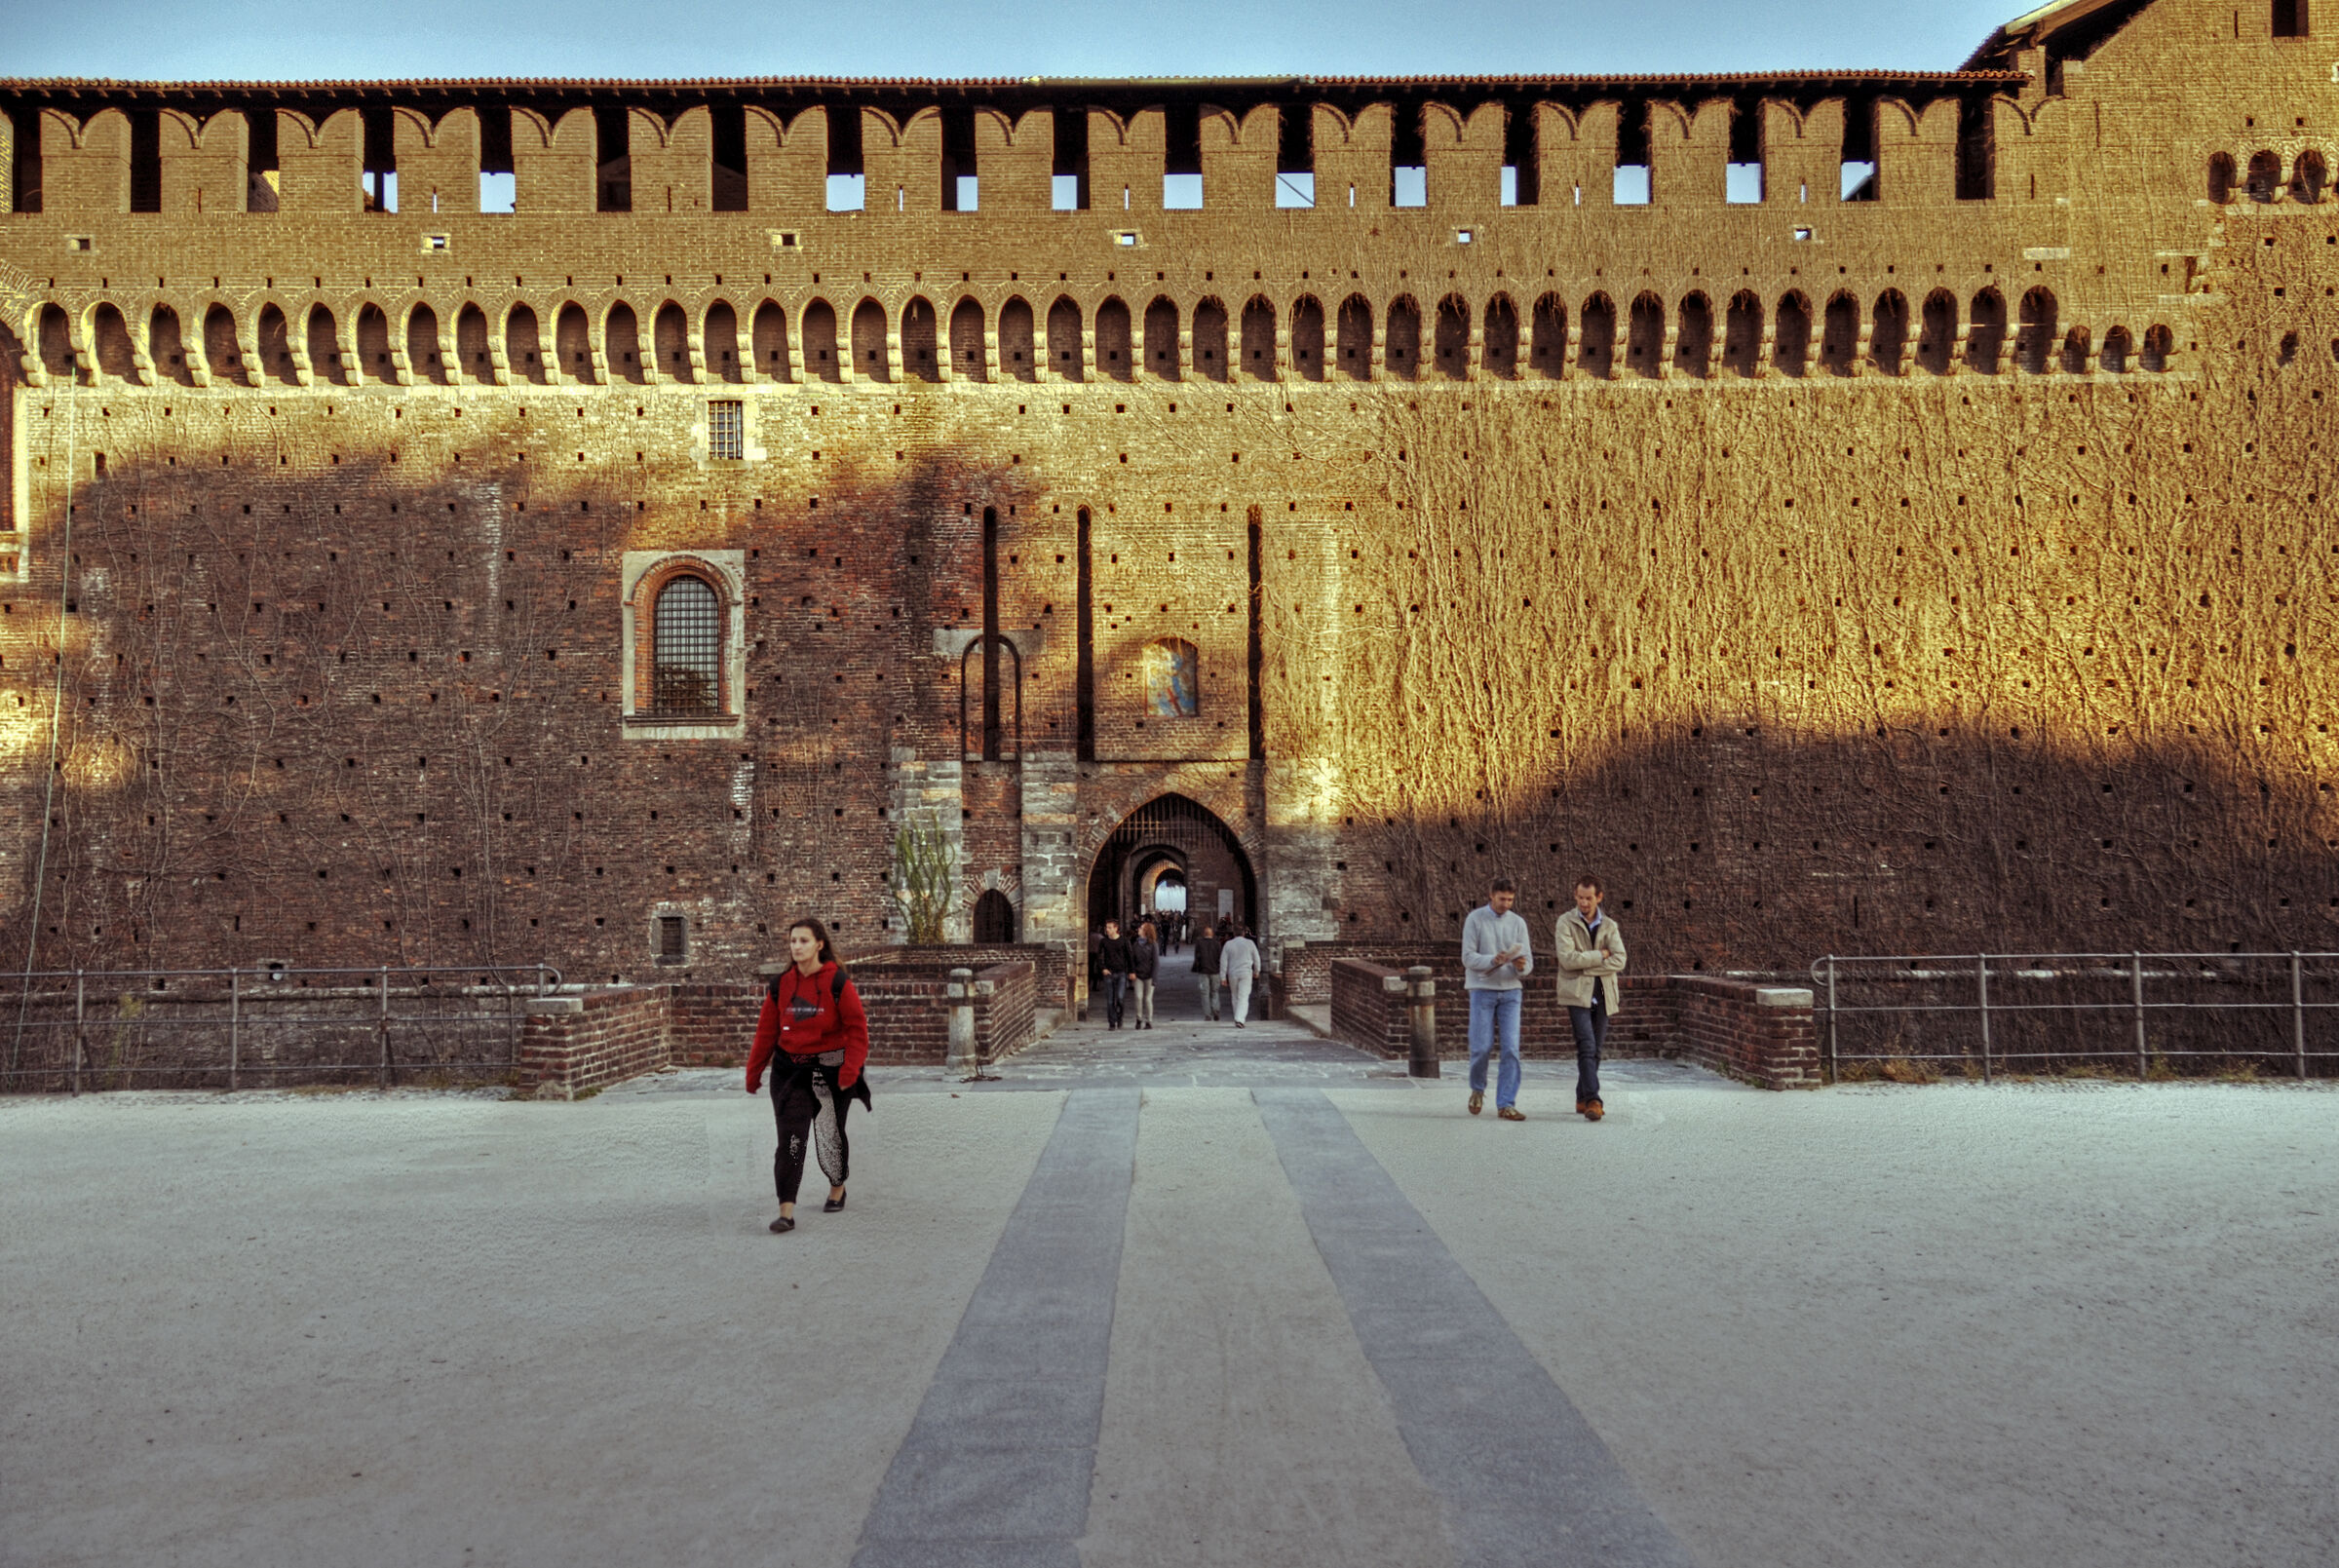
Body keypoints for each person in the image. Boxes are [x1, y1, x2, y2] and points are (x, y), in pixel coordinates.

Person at [745, 917, 870, 1234]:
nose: (796, 946)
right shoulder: (781, 986)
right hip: (790, 1071)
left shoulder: (838, 983)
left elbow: (857, 1030)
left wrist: (850, 1070)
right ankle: (786, 1211)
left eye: (803, 941)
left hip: (830, 1069)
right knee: (790, 1140)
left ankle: (837, 1185)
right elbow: (765, 1033)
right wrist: (754, 1070)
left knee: (829, 1134)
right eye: (792, 941)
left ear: (819, 944)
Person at [1553, 875, 1627, 1122]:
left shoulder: (1610, 926)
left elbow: (1619, 959)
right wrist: (1600, 956)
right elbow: (1567, 960)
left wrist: (1586, 964)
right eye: (1580, 898)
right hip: (1577, 993)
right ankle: (1594, 1099)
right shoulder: (1565, 922)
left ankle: (1581, 1097)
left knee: (1596, 1049)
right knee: (1586, 1045)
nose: (1584, 903)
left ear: (1599, 897)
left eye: (1589, 898)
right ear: (1575, 896)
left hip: (1604, 993)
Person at [1461, 877, 1534, 1121]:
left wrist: (1521, 965)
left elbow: (1528, 963)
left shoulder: (1518, 923)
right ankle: (1477, 1089)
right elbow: (1468, 958)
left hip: (1511, 990)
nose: (1506, 904)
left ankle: (1506, 1102)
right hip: (1482, 988)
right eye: (1502, 899)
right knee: (1481, 1046)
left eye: (1510, 900)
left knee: (1511, 1048)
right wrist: (1493, 960)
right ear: (1491, 895)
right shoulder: (1476, 919)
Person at [1220, 920, 1261, 1028]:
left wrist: (1223, 977)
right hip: (1246, 973)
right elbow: (1257, 959)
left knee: (1235, 996)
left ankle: (1237, 1017)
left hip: (1233, 973)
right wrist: (1257, 971)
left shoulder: (1228, 944)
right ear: (1243, 933)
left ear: (1233, 933)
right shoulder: (1250, 943)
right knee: (1243, 996)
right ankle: (1240, 1019)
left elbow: (1223, 961)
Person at [1095, 918, 1134, 1030]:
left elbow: (1129, 957)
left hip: (1121, 973)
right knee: (1110, 1000)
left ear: (1116, 928)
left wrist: (1131, 972)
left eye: (1109, 927)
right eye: (1106, 927)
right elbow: (1099, 956)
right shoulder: (1104, 941)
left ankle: (1120, 1017)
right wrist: (1103, 968)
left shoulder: (1124, 941)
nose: (1107, 930)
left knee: (1120, 998)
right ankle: (1112, 1023)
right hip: (1109, 973)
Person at [1131, 920, 1161, 1030]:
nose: (1138, 929)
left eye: (1141, 928)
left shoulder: (1153, 945)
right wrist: (1132, 971)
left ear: (1146, 931)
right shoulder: (1136, 944)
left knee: (1148, 999)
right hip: (1138, 974)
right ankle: (1139, 1019)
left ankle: (1149, 1020)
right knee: (1138, 997)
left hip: (1149, 975)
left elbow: (1156, 962)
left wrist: (1154, 977)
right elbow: (1132, 960)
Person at [1191, 922, 1224, 1020]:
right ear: (1212, 934)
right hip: (1215, 971)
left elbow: (1197, 957)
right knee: (1215, 992)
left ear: (1204, 934)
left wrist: (1197, 967)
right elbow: (1220, 957)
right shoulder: (1217, 943)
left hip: (1203, 971)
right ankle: (1216, 1010)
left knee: (1204, 993)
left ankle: (1207, 1014)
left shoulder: (1199, 943)